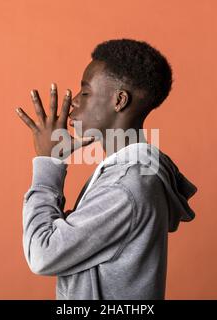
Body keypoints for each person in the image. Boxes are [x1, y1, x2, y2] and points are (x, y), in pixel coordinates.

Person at [16, 38, 198, 300]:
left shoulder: (124, 187)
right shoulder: (131, 173)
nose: (75, 101)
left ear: (119, 100)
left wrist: (49, 162)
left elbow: (42, 254)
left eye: (86, 92)